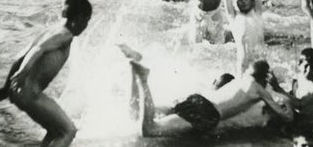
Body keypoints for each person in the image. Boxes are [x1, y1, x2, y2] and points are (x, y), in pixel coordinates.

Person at [121, 46, 293, 137]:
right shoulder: (260, 90)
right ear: (265, 77)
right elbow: (287, 117)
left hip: (198, 99)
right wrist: (283, 94)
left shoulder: (242, 79)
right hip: (207, 112)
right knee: (150, 129)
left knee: (134, 113)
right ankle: (143, 79)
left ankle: (134, 66)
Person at [0, 0, 92, 147]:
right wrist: (24, 72)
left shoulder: (52, 30)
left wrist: (7, 87)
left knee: (54, 130)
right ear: (79, 18)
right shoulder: (65, 34)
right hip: (30, 93)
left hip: (18, 91)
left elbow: (20, 56)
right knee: (68, 131)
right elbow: (38, 50)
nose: (86, 26)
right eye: (87, 21)